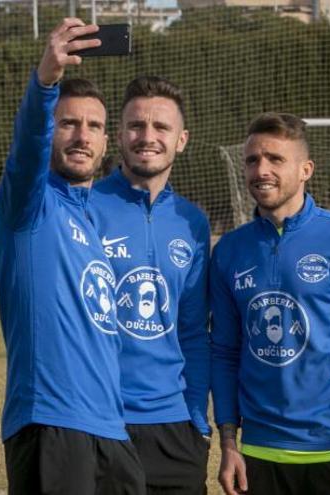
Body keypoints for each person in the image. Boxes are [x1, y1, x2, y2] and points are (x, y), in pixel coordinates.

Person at [0, 18, 144, 494]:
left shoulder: (93, 220)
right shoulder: (29, 207)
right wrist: (46, 83)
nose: (82, 136)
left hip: (112, 432)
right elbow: (27, 151)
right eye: (69, 123)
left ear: (106, 141)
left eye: (94, 126)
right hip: (50, 424)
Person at [210, 113, 330, 495]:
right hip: (259, 456)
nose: (261, 170)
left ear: (306, 169)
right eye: (252, 160)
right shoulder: (229, 250)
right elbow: (225, 352)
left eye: (275, 159)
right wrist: (228, 444)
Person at [89, 76, 211, 494]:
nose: (148, 137)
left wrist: (199, 421)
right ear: (119, 135)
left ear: (182, 140)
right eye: (137, 125)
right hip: (100, 421)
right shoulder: (85, 205)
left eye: (161, 128)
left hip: (175, 428)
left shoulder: (193, 223)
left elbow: (193, 331)